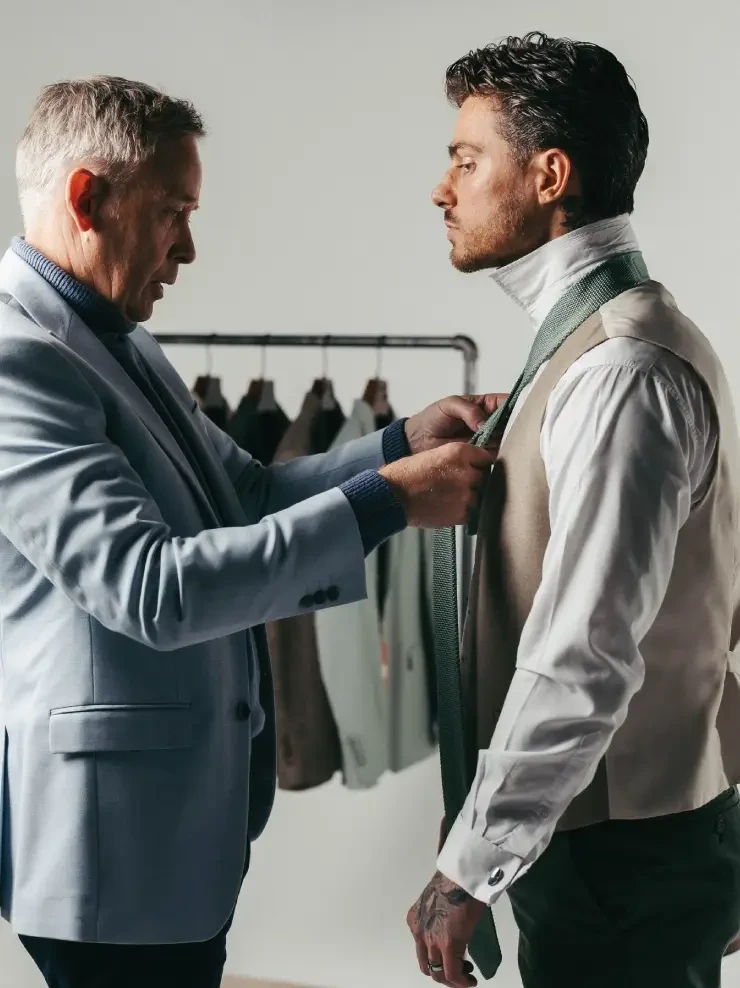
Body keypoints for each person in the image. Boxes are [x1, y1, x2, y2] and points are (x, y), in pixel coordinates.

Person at [0, 76, 499, 988]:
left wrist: (398, 443)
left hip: (173, 836)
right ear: (87, 199)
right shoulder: (17, 361)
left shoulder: (116, 336)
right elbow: (154, 589)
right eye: (173, 212)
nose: (189, 247)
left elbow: (249, 491)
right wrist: (389, 500)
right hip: (111, 848)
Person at [406, 32, 740, 988]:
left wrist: (468, 865)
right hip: (609, 847)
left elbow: (584, 653)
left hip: (621, 862)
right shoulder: (593, 352)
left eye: (467, 159)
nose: (443, 188)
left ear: (551, 175)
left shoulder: (622, 371)